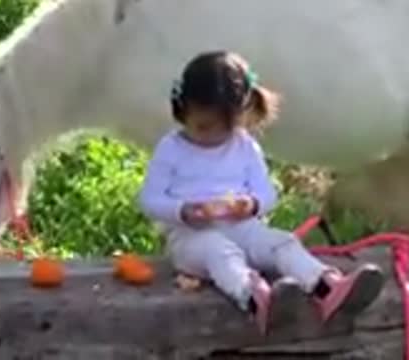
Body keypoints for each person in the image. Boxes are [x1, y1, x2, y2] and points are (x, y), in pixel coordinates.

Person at [137, 50, 385, 335]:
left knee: (283, 242)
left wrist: (251, 205)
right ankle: (255, 298)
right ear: (182, 110)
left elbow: (267, 194)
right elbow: (150, 199)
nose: (213, 137)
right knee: (220, 252)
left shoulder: (244, 146)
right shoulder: (172, 149)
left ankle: (327, 287)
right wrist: (183, 211)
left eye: (224, 129)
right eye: (203, 127)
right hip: (192, 239)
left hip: (242, 227)